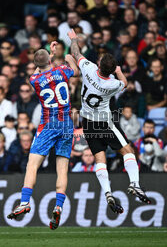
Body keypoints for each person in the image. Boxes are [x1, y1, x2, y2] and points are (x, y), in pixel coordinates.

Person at [68, 29, 151, 215]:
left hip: (87, 122)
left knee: (100, 158)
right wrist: (119, 71)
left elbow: (76, 52)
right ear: (112, 70)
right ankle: (135, 184)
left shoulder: (88, 69)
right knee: (127, 150)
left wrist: (73, 39)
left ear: (98, 64)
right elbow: (125, 83)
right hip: (105, 122)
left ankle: (107, 192)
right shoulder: (113, 84)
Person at [7, 41, 79, 230]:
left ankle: (24, 203)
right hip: (66, 124)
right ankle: (58, 206)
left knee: (32, 165)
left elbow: (41, 70)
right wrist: (67, 55)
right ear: (50, 59)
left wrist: (49, 55)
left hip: (48, 124)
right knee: (62, 169)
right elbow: (74, 69)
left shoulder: (34, 80)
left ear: (35, 63)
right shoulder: (63, 71)